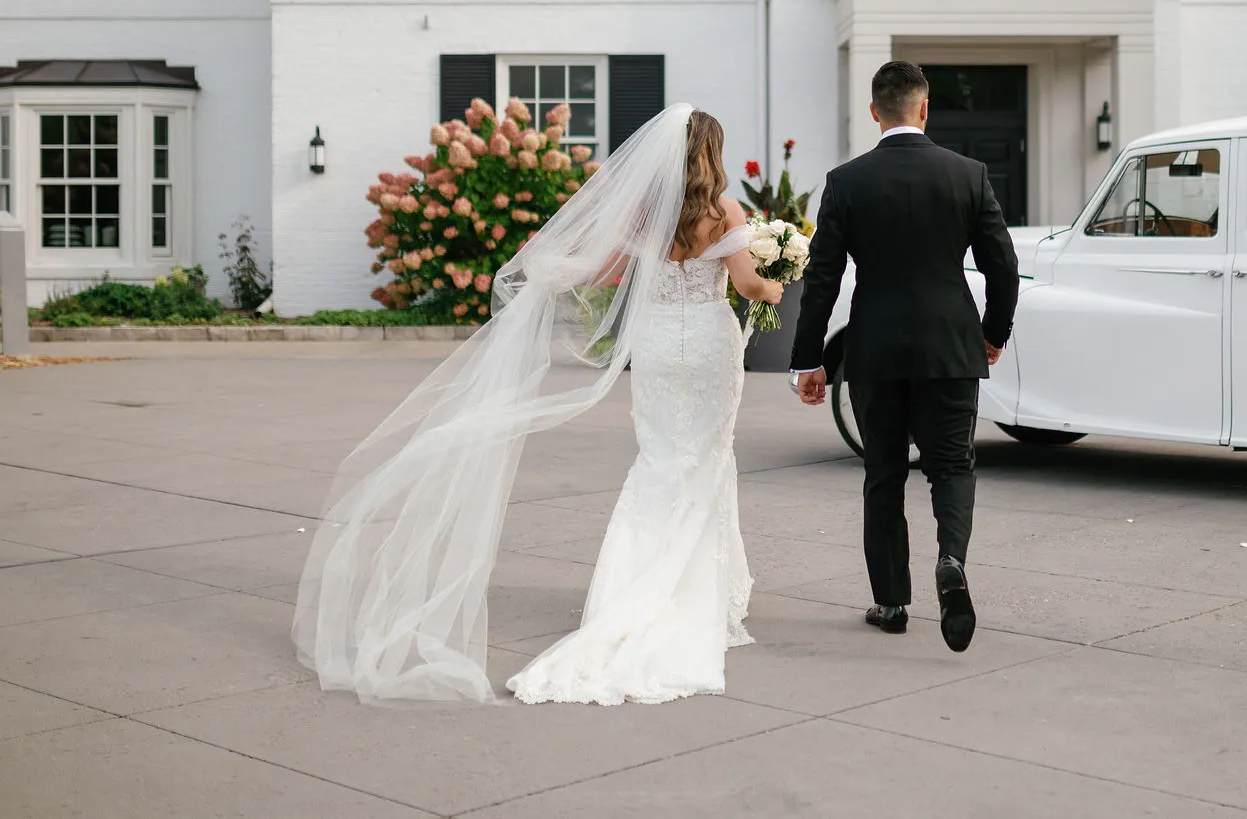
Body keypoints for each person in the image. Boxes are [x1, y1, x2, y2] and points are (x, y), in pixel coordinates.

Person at [293, 104, 783, 705]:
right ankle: (697, 597)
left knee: (658, 461)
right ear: (712, 152)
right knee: (707, 459)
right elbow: (749, 286)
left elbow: (603, 275)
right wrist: (779, 275)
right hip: (709, 343)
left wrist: (548, 270)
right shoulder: (723, 213)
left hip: (654, 345)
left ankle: (631, 592)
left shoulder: (643, 214)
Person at [789, 61, 1019, 652]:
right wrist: (994, 333)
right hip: (951, 345)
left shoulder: (846, 181)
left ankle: (892, 602)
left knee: (884, 475)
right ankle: (950, 561)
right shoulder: (967, 174)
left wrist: (808, 359)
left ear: (874, 112)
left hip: (876, 349)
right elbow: (1003, 266)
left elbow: (822, 277)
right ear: (924, 107)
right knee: (952, 466)